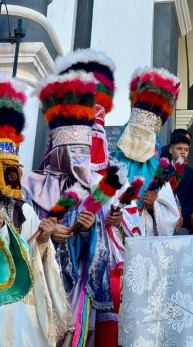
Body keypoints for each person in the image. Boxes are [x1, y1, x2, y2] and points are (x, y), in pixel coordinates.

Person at [54, 48, 144, 346]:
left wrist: (115, 220)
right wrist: (70, 225)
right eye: (82, 145)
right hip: (61, 269)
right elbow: (42, 222)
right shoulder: (53, 178)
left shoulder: (114, 180)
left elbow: (131, 224)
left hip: (103, 269)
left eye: (96, 140)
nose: (89, 150)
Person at [23, 71, 107, 345]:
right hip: (41, 283)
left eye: (83, 153)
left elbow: (101, 251)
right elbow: (19, 234)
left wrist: (88, 229)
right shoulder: (31, 185)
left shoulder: (94, 188)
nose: (79, 161)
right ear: (57, 150)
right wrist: (45, 234)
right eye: (73, 152)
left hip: (77, 287)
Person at [0, 75, 69, 346]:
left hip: (19, 310)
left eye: (12, 172)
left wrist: (42, 240)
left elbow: (33, 263)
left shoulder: (26, 211)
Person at [114, 67, 181, 236]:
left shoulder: (160, 172)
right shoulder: (110, 167)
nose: (138, 140)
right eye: (134, 132)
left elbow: (170, 219)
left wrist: (153, 206)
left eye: (144, 135)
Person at [169, 133, 193, 231]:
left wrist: (180, 216)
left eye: (186, 150)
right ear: (171, 150)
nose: (183, 152)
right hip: (161, 220)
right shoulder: (162, 170)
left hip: (183, 223)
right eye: (179, 149)